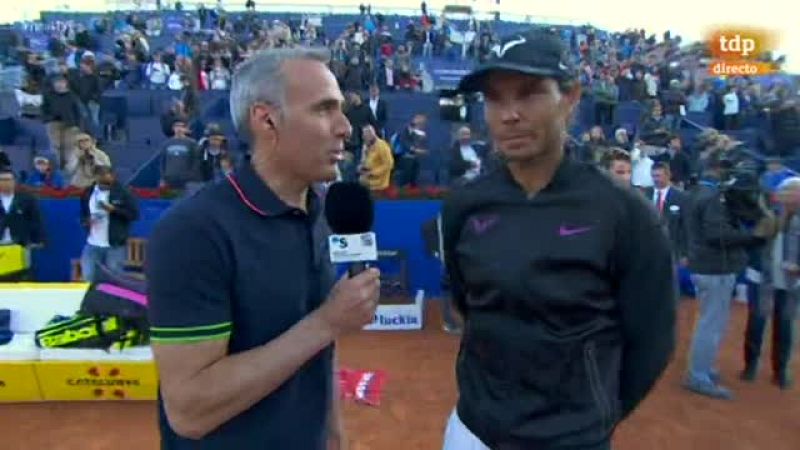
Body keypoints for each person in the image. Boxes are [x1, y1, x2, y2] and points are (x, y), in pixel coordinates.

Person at [440, 30, 676, 450]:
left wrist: (588, 421)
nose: (510, 114)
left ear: (570, 97)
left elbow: (652, 340)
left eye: (529, 93)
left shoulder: (625, 212)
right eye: (495, 99)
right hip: (473, 429)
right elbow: (466, 302)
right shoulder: (465, 205)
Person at [146, 47, 382, 449]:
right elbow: (189, 410)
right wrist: (327, 322)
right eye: (324, 109)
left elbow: (318, 350)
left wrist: (333, 436)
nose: (345, 127)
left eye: (341, 110)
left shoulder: (316, 212)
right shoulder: (193, 232)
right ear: (266, 119)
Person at [684, 156, 776, 399]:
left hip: (708, 266)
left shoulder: (699, 192)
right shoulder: (711, 198)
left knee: (710, 322)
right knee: (711, 325)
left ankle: (701, 368)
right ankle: (698, 376)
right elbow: (717, 235)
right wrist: (753, 238)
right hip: (714, 268)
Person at [741, 177, 800, 389]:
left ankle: (780, 370)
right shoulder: (766, 214)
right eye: (788, 192)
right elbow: (751, 241)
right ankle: (750, 365)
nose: (791, 196)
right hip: (762, 277)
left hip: (790, 281)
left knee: (784, 325)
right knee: (756, 322)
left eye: (795, 193)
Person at [79, 166, 139, 282]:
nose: (103, 185)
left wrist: (114, 210)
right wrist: (86, 221)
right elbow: (83, 213)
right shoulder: (88, 193)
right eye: (100, 181)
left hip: (114, 244)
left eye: (106, 181)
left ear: (113, 176)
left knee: (114, 279)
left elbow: (134, 214)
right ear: (95, 178)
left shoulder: (123, 192)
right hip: (93, 243)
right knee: (89, 276)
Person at [0, 168, 45, 281]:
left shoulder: (26, 199)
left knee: (22, 275)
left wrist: (38, 240)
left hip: (20, 244)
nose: (5, 182)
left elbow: (35, 221)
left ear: (14, 181)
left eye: (8, 179)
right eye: (2, 180)